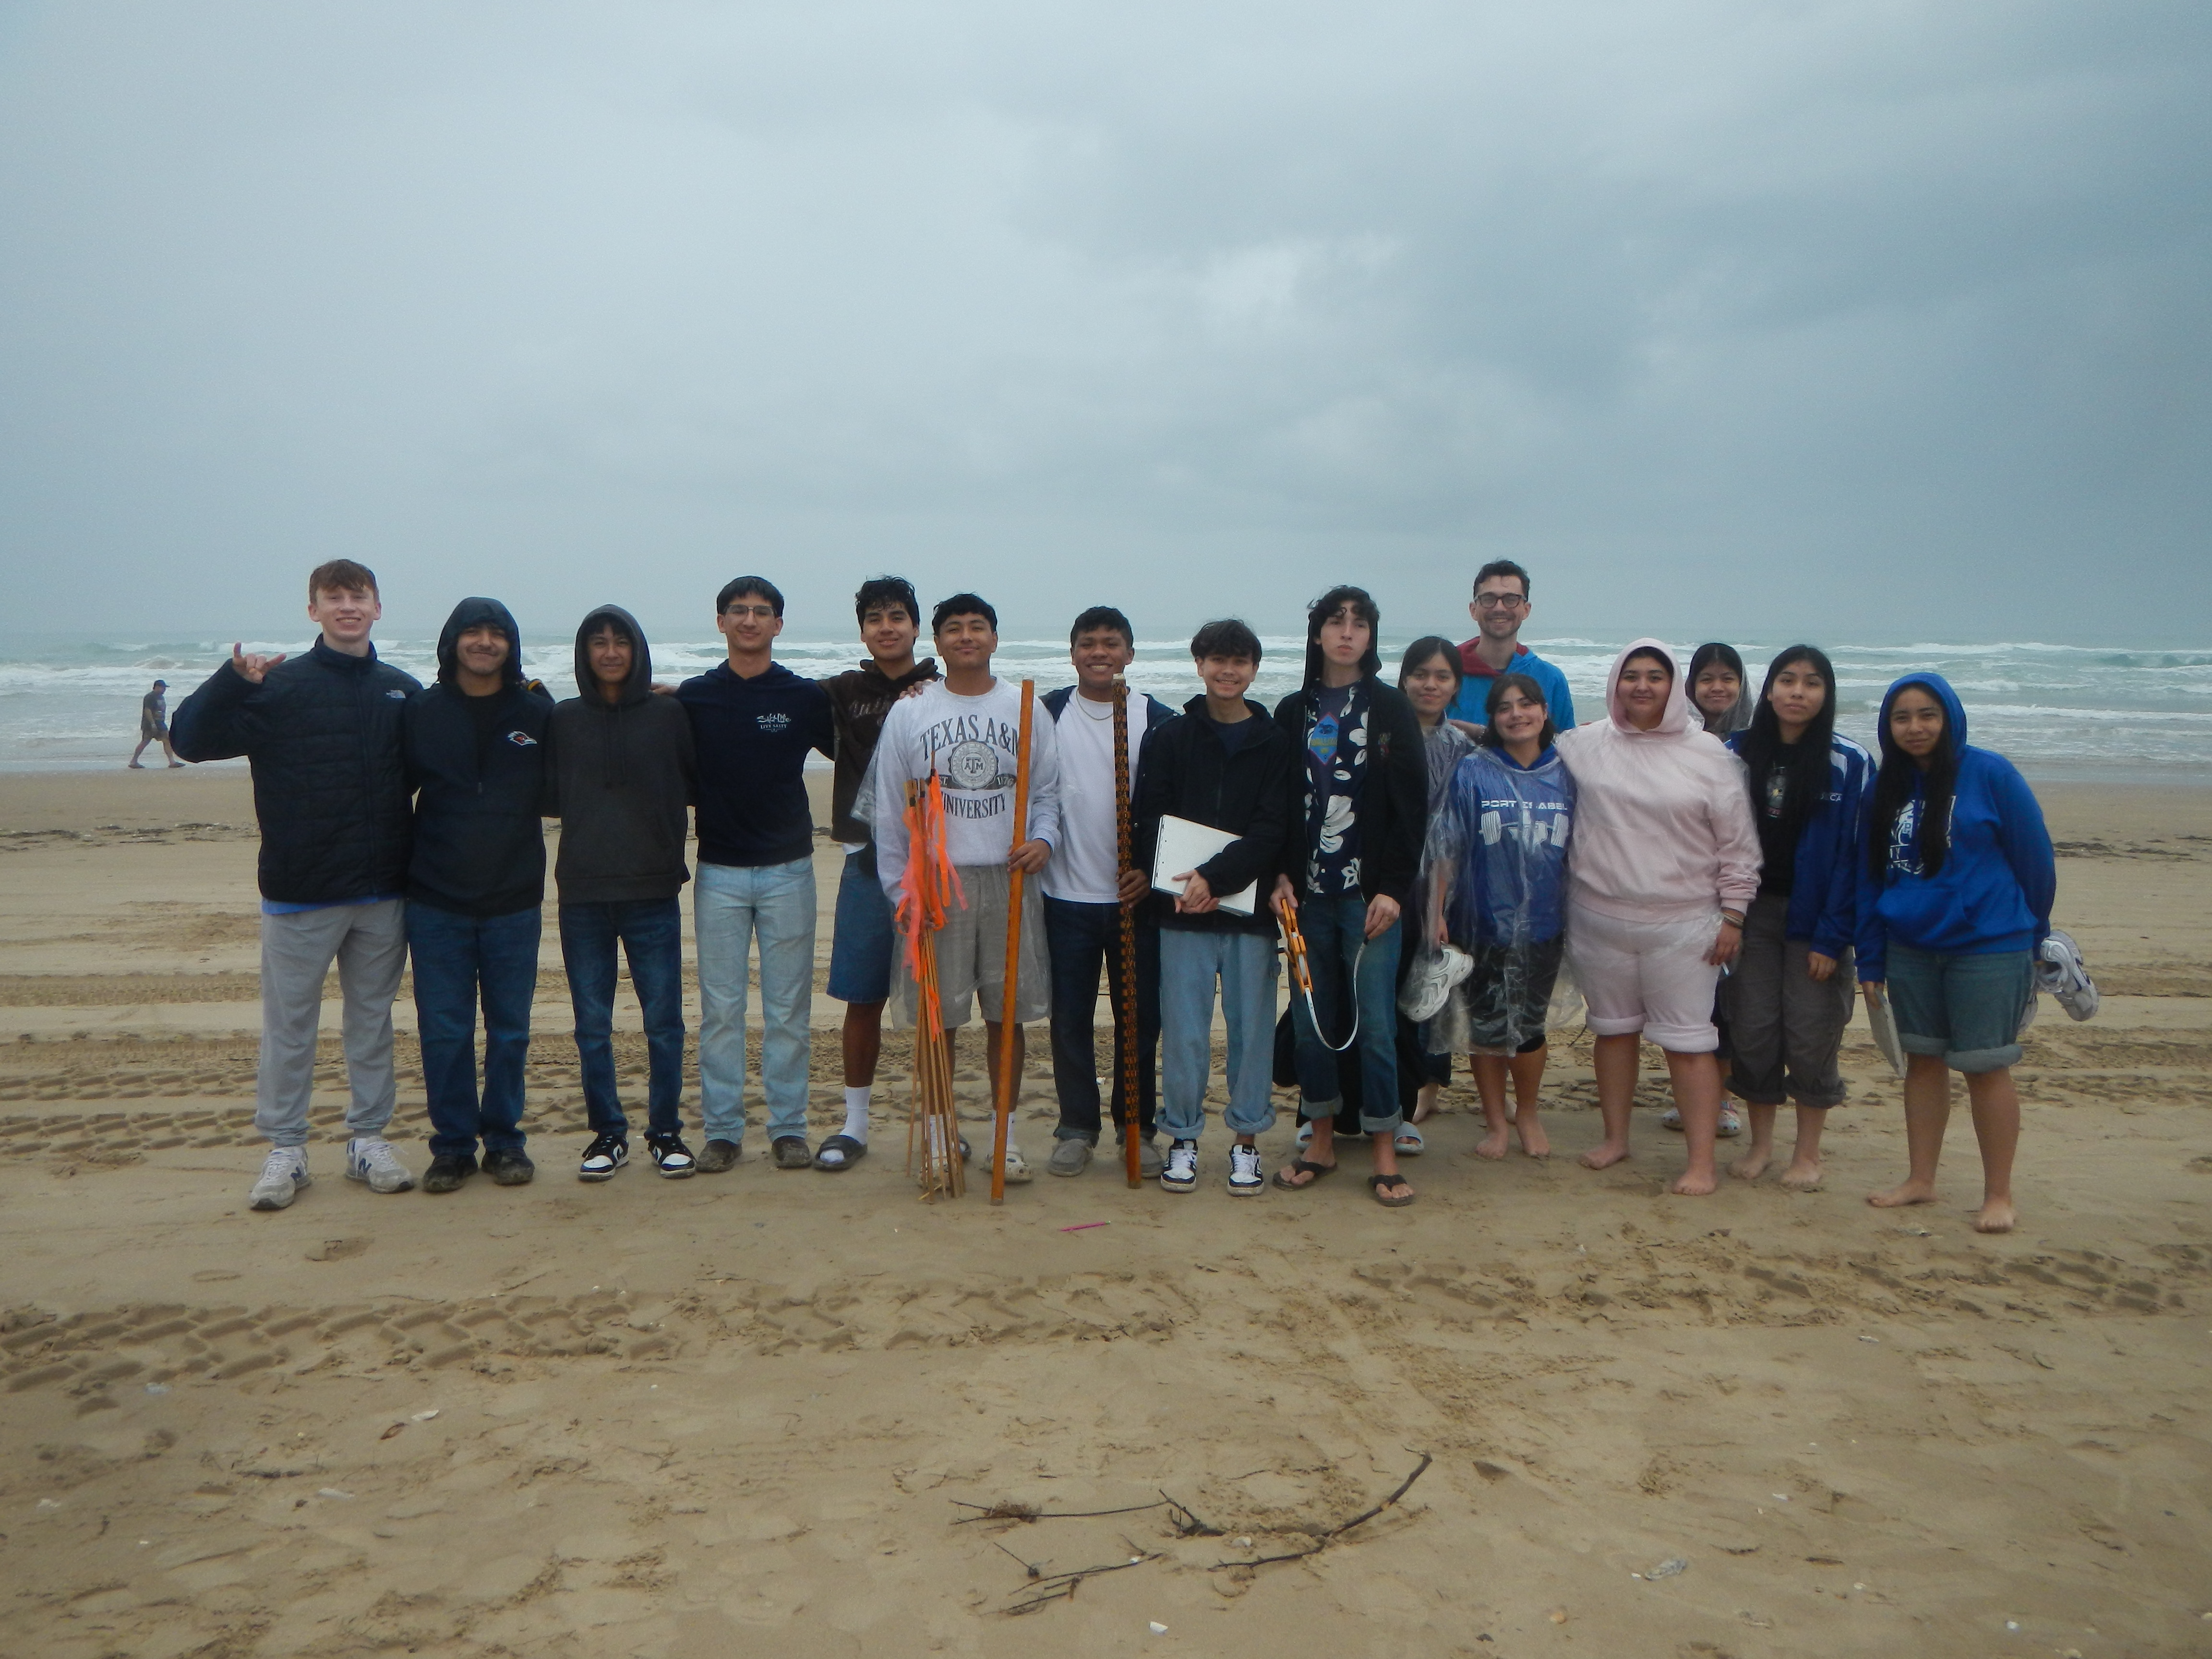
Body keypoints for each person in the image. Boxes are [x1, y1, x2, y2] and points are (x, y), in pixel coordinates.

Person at [170, 560, 421, 1211]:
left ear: (377, 608)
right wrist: (230, 682)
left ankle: (369, 1141)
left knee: (372, 1023)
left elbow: (440, 768)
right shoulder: (276, 688)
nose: (346, 607)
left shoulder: (401, 690)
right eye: (333, 598)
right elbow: (189, 740)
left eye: (357, 596)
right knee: (290, 1028)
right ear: (313, 611)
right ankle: (285, 1149)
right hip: (300, 890)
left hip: (383, 890)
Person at [1555, 640, 1761, 1195]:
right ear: (1615, 682)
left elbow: (1738, 845)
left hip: (1684, 925)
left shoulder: (1709, 754)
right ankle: (1615, 1138)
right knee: (1613, 1032)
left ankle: (1700, 1163)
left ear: (1675, 688)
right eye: (1631, 676)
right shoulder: (1582, 745)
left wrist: (1735, 915)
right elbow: (1517, 752)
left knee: (1690, 1042)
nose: (1641, 686)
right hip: (1599, 919)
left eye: (1655, 676)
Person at [871, 592, 1062, 1183]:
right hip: (937, 884)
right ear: (938, 642)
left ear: (995, 638)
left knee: (1009, 1018)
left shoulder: (1025, 707)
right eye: (954, 629)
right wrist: (901, 891)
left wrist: (1044, 841)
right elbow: (888, 807)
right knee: (939, 1020)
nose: (966, 637)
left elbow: (1049, 793)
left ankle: (1004, 1137)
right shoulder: (912, 709)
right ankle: (939, 1133)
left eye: (978, 627)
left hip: (1010, 879)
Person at [1857, 673, 2055, 1234]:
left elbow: (2035, 861)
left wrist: (2033, 936)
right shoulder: (1885, 787)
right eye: (1902, 718)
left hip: (1988, 948)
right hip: (1910, 948)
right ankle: (1921, 1179)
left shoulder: (1992, 774)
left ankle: (1999, 1195)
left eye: (1927, 715)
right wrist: (1870, 960)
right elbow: (1869, 877)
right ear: (1888, 727)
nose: (1915, 728)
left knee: (1986, 1066)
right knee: (1922, 1063)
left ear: (1949, 718)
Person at [1270, 586, 1428, 1207]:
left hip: (1370, 900)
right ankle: (1322, 1140)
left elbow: (1413, 809)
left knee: (1378, 1028)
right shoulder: (1291, 712)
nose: (1346, 632)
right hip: (1305, 897)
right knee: (1312, 1026)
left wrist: (1394, 889)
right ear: (1316, 635)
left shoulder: (1390, 709)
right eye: (1335, 622)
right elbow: (1277, 807)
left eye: (1359, 623)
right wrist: (1279, 875)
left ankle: (1385, 1150)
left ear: (1372, 637)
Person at [677, 577, 836, 1174]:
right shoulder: (693, 697)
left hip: (789, 870)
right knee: (720, 1010)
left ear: (778, 625)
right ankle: (721, 1132)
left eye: (761, 612)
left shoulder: (802, 697)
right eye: (738, 611)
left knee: (788, 1010)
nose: (749, 620)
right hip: (717, 871)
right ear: (721, 622)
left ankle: (789, 1129)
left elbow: (863, 746)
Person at [1132, 619, 1296, 1194]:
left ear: (1254, 669)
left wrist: (1217, 878)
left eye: (1241, 661)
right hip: (1181, 910)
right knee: (1184, 1033)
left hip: (1249, 915)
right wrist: (1187, 884)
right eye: (1218, 660)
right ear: (1199, 664)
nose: (1229, 671)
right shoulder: (1171, 737)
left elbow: (1274, 826)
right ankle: (1182, 1138)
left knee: (1251, 1032)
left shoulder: (1276, 743)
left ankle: (1247, 1143)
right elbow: (1148, 817)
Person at [403, 599, 556, 1193]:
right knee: (444, 1030)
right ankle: (452, 1148)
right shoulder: (422, 710)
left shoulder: (536, 711)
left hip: (514, 898)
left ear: (511, 645)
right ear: (454, 641)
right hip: (435, 898)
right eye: (474, 632)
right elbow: (392, 790)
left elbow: (576, 775)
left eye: (497, 633)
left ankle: (505, 1142)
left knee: (510, 1029)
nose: (485, 642)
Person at [551, 605, 699, 1183]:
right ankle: (607, 1134)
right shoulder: (562, 719)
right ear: (585, 653)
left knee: (664, 1021)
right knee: (593, 1023)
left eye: (621, 642)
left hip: (653, 890)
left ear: (637, 649)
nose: (610, 652)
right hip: (583, 892)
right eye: (598, 643)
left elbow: (693, 780)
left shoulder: (669, 715)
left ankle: (665, 1132)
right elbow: (546, 791)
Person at [1721, 647, 1871, 1190]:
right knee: (1755, 1030)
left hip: (1816, 921)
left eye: (1812, 683)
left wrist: (1833, 938)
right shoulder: (1734, 752)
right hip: (1749, 915)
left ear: (1826, 694)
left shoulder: (1850, 761)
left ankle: (1808, 1153)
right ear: (1768, 689)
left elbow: (1857, 856)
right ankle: (1761, 1145)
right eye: (1787, 680)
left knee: (1812, 1033)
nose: (1797, 692)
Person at [1040, 606, 1175, 1179]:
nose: (1100, 652)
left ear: (1130, 654)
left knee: (1140, 1020)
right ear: (1073, 653)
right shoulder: (1043, 714)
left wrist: (1152, 870)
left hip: (1134, 899)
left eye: (1112, 643)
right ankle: (1077, 1127)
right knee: (1069, 1019)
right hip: (1064, 896)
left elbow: (1176, 810)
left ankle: (1135, 1125)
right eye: (1089, 643)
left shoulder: (1160, 720)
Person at [1424, 673, 1575, 1160]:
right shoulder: (1473, 771)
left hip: (1546, 925)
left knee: (1529, 1030)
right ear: (1492, 718)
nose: (1517, 714)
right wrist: (1437, 912)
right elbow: (1446, 846)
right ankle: (1495, 1124)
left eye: (1526, 704)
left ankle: (1526, 1113)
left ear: (1544, 712)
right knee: (1487, 1028)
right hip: (1480, 922)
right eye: (1505, 707)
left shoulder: (1568, 772)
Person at [819, 577, 938, 1171]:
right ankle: (854, 1126)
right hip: (866, 860)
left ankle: (939, 1123)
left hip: (941, 864)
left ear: (916, 627)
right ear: (863, 630)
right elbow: (767, 705)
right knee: (862, 996)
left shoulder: (945, 690)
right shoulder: (842, 692)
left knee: (935, 998)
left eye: (898, 616)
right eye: (874, 619)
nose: (887, 627)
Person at [1394, 637, 1474, 1144]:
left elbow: (1450, 831)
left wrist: (1438, 902)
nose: (1430, 684)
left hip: (1436, 883)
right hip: (1383, 881)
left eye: (1442, 676)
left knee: (1431, 988)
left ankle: (1428, 1086)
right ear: (1403, 680)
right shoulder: (1384, 737)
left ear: (1456, 686)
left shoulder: (1461, 747)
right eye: (1421, 674)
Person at [1443, 560, 1577, 735]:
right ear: (1473, 610)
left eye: (1511, 599)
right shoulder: (1446, 674)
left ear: (1526, 610)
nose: (1499, 608)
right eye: (1489, 599)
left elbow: (1566, 748)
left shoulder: (1551, 679)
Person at [1688, 643, 1756, 737]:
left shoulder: (1758, 736)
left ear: (1741, 684)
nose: (1717, 688)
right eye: (1707, 679)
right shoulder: (1677, 736)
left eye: (1728, 679)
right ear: (1692, 686)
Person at [129, 679, 181, 768]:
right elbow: (148, 710)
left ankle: (172, 762)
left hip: (160, 723)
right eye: (163, 688)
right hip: (150, 724)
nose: (164, 690)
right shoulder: (150, 697)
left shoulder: (160, 697)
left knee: (167, 740)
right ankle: (134, 762)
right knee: (145, 741)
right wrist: (153, 724)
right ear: (157, 687)